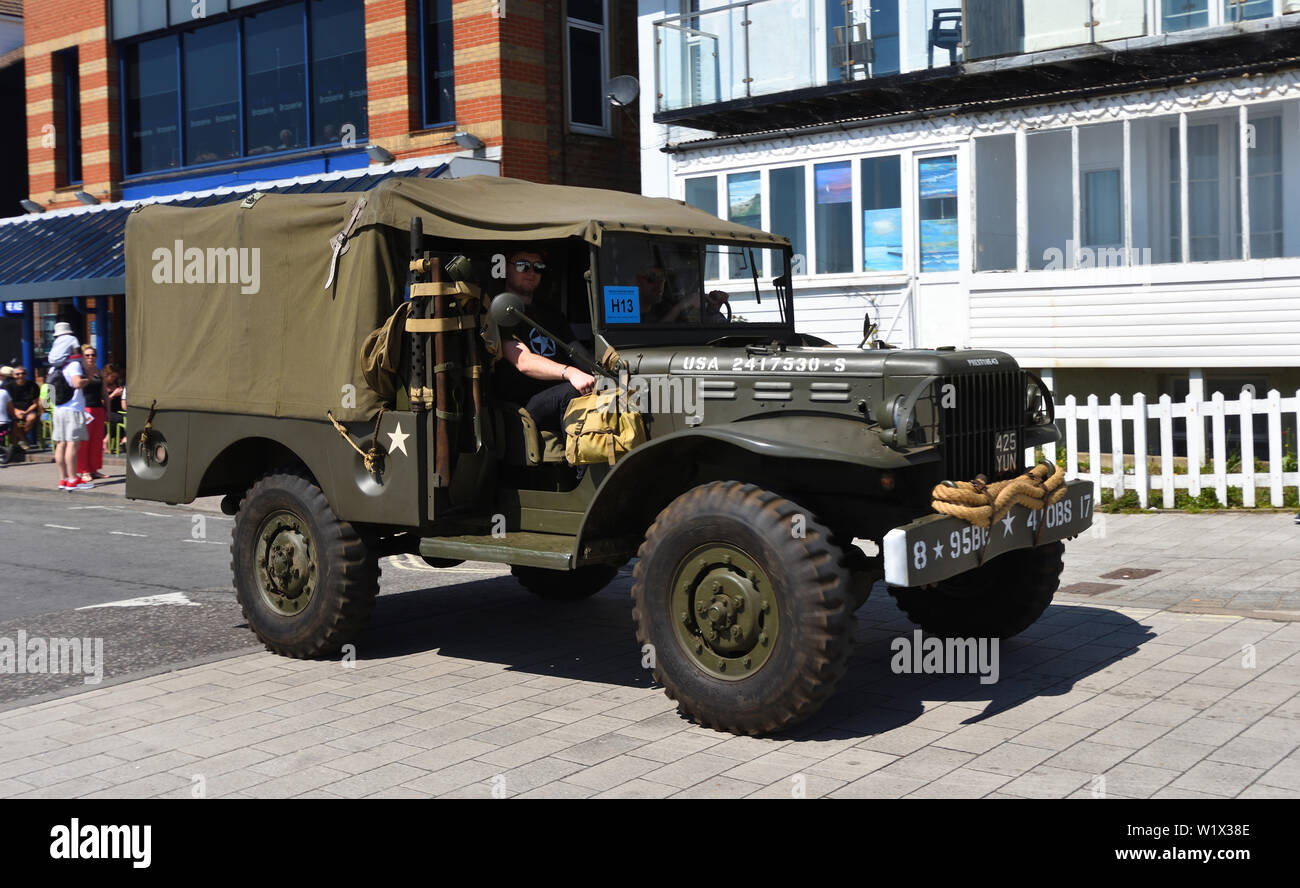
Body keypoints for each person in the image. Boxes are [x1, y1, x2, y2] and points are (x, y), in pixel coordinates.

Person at [491, 248, 595, 437]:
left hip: (560, 388)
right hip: (525, 402)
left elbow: (577, 352)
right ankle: (584, 467)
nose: (531, 272)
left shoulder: (551, 314)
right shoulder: (500, 312)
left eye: (538, 267)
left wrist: (601, 372)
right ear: (506, 268)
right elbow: (523, 361)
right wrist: (570, 373)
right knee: (572, 393)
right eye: (523, 265)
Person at [50, 333, 92, 490]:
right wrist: (88, 379)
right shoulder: (73, 365)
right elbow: (77, 383)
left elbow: (50, 393)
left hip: (58, 409)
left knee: (60, 444)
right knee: (72, 445)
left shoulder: (54, 368)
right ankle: (73, 479)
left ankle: (63, 479)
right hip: (73, 409)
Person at [75, 345, 107, 481]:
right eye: (87, 355)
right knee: (84, 442)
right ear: (83, 357)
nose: (90, 357)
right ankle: (84, 471)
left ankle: (94, 469)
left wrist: (108, 411)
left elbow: (104, 393)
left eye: (93, 355)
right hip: (85, 410)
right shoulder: (80, 372)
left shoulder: (99, 372)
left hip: (98, 409)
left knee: (96, 442)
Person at [3, 365, 41, 448]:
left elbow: (35, 403)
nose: (20, 376)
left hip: (28, 409)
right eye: (17, 374)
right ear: (13, 375)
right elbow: (6, 403)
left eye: (23, 373)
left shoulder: (33, 386)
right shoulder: (8, 387)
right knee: (15, 421)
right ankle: (23, 440)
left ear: (26, 375)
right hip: (12, 409)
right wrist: (16, 411)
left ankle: (18, 440)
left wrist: (26, 411)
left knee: (32, 418)